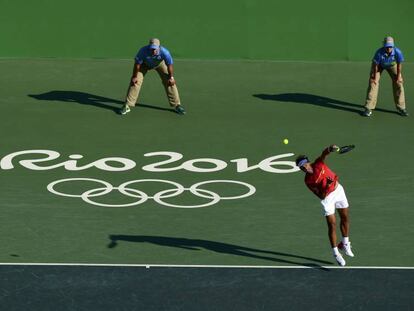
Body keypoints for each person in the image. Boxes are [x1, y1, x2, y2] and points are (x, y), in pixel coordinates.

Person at [296, 145, 354, 266]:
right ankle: (336, 253)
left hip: (338, 190)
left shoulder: (318, 163)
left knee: (345, 218)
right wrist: (327, 186)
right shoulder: (308, 181)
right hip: (327, 199)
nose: (303, 168)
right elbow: (321, 196)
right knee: (331, 224)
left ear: (308, 162)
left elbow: (324, 153)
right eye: (301, 167)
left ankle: (345, 243)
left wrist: (331, 148)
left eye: (304, 165)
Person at [119, 38, 185, 115]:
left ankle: (177, 105)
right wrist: (134, 76)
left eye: (155, 49)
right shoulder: (143, 51)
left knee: (170, 82)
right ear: (149, 47)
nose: (153, 51)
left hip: (160, 64)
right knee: (135, 81)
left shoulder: (165, 52)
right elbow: (137, 65)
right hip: (144, 65)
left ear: (159, 47)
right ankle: (127, 105)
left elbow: (169, 65)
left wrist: (171, 78)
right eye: (152, 49)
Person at [363, 36, 408, 117]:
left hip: (392, 65)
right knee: (373, 84)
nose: (388, 48)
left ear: (393, 46)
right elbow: (375, 65)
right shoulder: (379, 52)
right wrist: (374, 77)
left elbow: (399, 65)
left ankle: (401, 108)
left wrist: (398, 77)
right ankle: (368, 108)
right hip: (379, 66)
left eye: (390, 47)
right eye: (387, 46)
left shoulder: (398, 52)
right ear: (384, 45)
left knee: (399, 83)